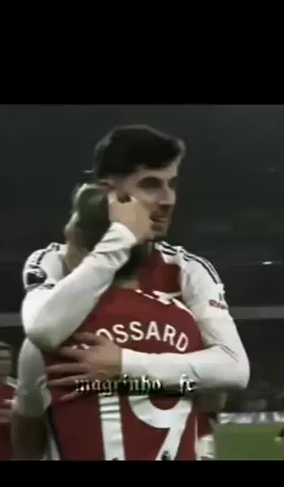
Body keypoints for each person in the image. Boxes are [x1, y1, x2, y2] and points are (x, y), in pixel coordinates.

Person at [19, 125, 249, 431]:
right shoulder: (52, 260)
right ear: (107, 193)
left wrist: (124, 367)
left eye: (172, 184)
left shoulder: (187, 269)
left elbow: (234, 369)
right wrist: (120, 240)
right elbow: (43, 331)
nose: (168, 200)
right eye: (151, 185)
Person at [15, 184, 215, 459]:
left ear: (80, 243)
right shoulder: (187, 323)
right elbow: (213, 398)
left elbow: (27, 434)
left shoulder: (50, 341)